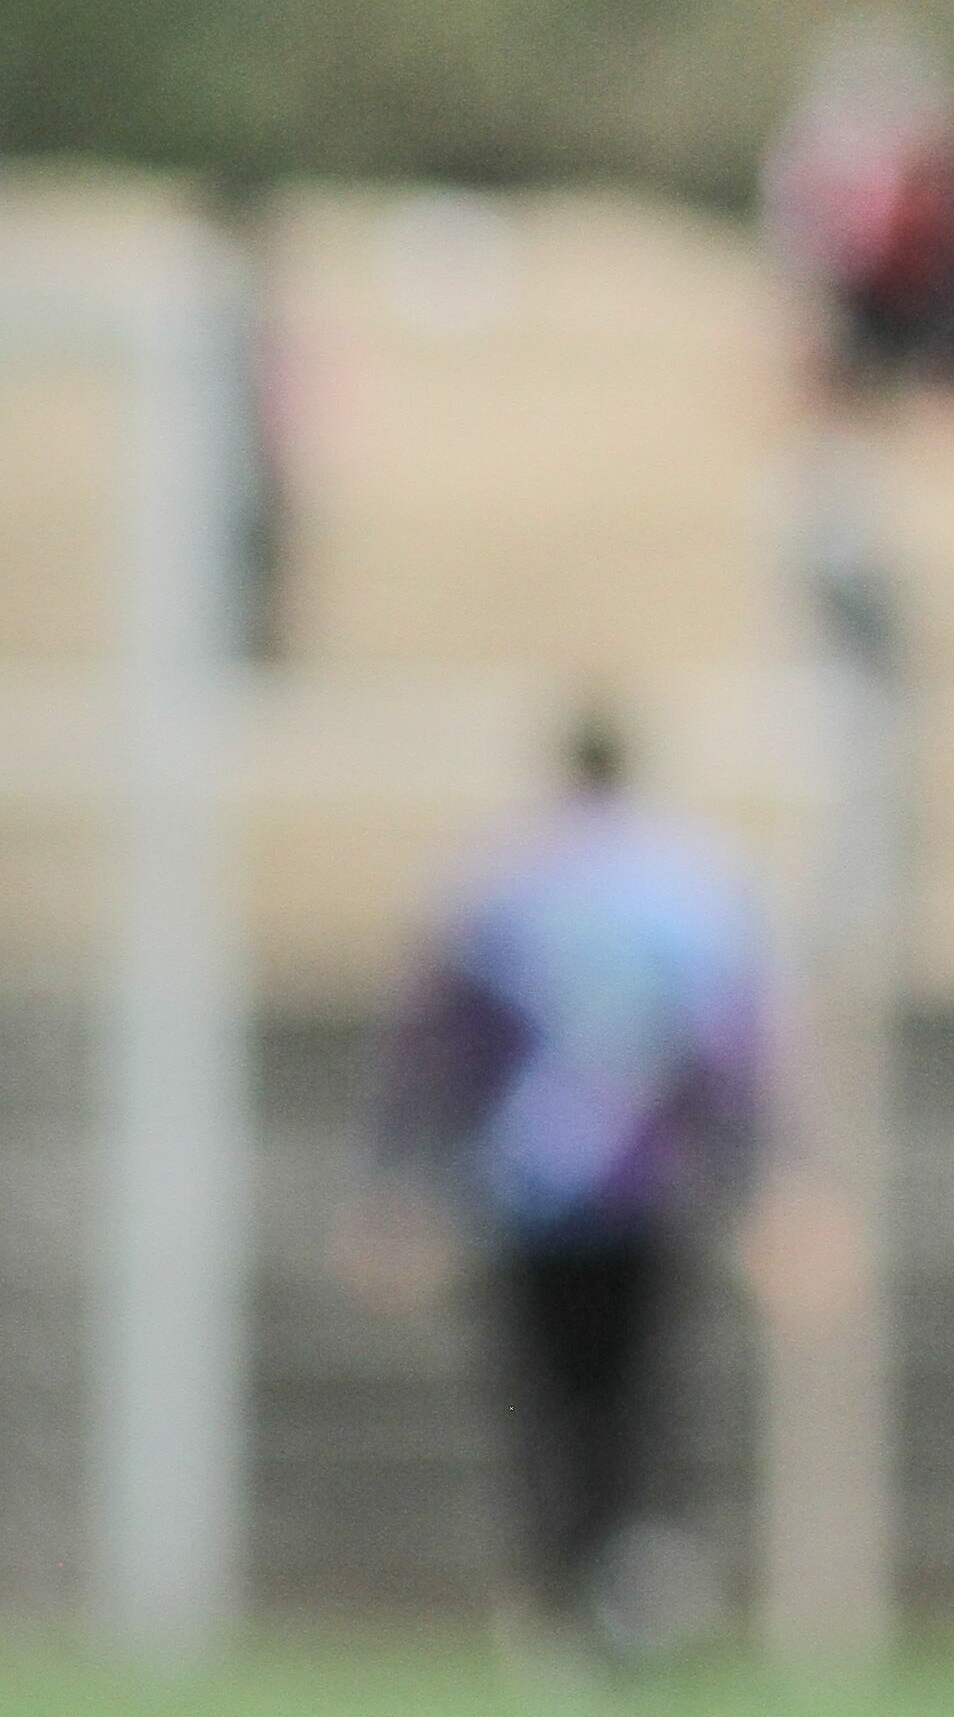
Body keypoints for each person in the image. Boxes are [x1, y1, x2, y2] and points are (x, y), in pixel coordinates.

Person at [360, 707, 763, 1662]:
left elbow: (432, 1035)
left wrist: (395, 1177)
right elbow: (727, 1049)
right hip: (641, 1186)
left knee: (543, 1399)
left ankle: (559, 1598)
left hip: (527, 1187)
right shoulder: (684, 882)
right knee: (635, 1396)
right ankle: (622, 1580)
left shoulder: (499, 879)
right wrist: (757, 1179)